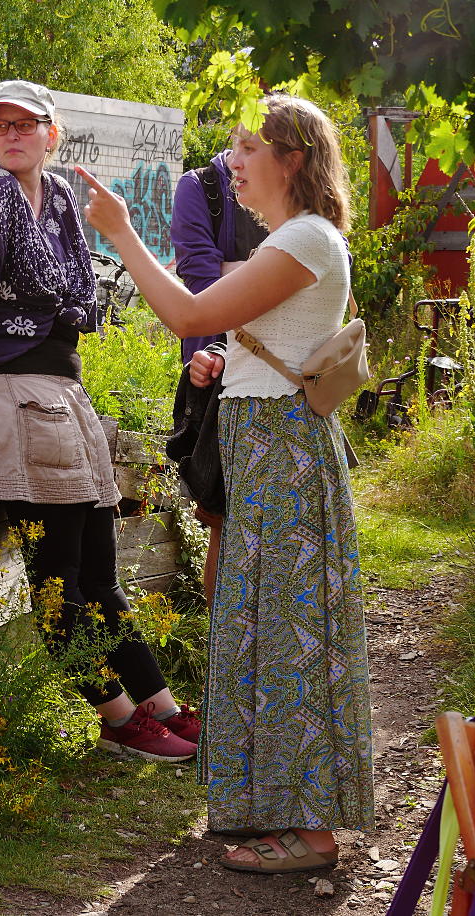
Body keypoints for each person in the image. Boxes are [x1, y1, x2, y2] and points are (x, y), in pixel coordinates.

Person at [76, 93, 375, 874]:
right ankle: (273, 808)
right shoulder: (290, 240)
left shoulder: (304, 238)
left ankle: (310, 834)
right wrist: (227, 360)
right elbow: (255, 335)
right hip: (267, 455)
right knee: (266, 628)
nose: (231, 163)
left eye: (247, 148)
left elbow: (187, 312)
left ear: (293, 159)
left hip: (283, 461)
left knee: (291, 634)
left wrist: (122, 234)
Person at [0, 78, 200, 764]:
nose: (11, 134)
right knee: (60, 583)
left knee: (102, 577)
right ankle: (119, 720)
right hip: (19, 400)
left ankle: (163, 708)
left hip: (65, 397)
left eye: (25, 124)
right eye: (0, 124)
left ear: (52, 133)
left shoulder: (56, 196)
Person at [170, 150, 266, 606]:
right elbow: (201, 282)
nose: (248, 154)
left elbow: (330, 257)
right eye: (244, 141)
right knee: (223, 520)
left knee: (281, 523)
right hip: (215, 372)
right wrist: (269, 275)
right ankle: (222, 649)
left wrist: (239, 273)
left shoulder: (293, 185)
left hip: (284, 370)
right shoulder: (199, 187)